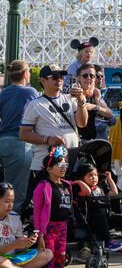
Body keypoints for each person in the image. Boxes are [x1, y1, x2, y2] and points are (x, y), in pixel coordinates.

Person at [20, 64, 86, 198]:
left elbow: (82, 123)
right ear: (43, 80)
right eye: (55, 77)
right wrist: (48, 139)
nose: (59, 80)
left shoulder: (70, 99)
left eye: (61, 76)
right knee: (42, 205)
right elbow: (23, 133)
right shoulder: (35, 105)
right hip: (45, 166)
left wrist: (81, 102)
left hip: (69, 163)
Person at [71, 164, 122, 257]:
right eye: (90, 175)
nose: (94, 178)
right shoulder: (81, 189)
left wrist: (109, 179)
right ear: (82, 178)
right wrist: (79, 181)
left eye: (95, 175)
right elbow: (87, 191)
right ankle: (108, 242)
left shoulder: (101, 187)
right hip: (91, 221)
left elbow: (114, 193)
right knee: (101, 215)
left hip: (106, 219)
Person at [0, 61, 38, 213]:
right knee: (15, 195)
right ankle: (9, 231)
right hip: (20, 144)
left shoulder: (4, 93)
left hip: (4, 142)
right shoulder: (30, 92)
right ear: (24, 74)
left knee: (5, 190)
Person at [0, 182, 52, 268]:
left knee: (47, 253)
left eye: (12, 201)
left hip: (12, 259)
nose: (10, 205)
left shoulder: (14, 217)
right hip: (1, 259)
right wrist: (14, 245)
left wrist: (27, 243)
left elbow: (19, 250)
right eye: (6, 201)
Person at [32, 147, 73, 268]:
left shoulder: (67, 185)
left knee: (59, 265)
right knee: (48, 264)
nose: (63, 167)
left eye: (65, 164)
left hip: (63, 227)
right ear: (49, 169)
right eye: (59, 164)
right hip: (48, 228)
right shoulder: (43, 186)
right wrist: (40, 235)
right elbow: (37, 212)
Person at [73, 63, 115, 142]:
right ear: (79, 78)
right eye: (85, 76)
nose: (88, 78)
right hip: (78, 141)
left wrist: (94, 107)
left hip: (94, 140)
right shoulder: (74, 94)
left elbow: (110, 115)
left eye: (92, 76)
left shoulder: (95, 94)